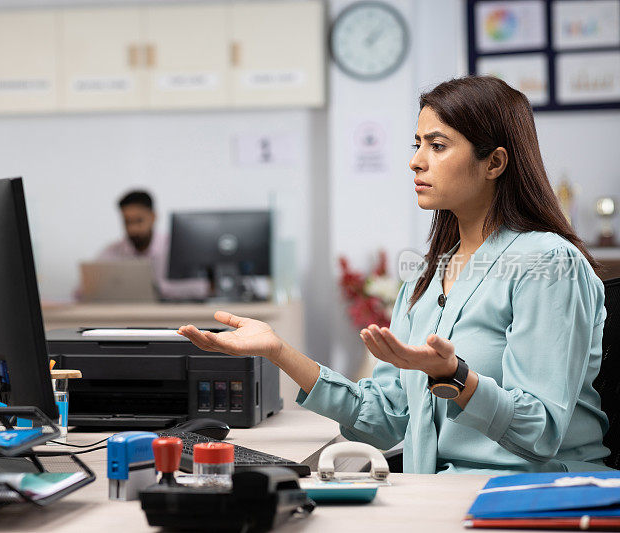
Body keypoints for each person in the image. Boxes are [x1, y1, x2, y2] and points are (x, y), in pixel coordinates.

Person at [177, 76, 612, 475]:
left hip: (539, 496)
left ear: (494, 163)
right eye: (417, 144)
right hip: (440, 495)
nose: (416, 162)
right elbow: (385, 423)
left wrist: (455, 377)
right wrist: (279, 352)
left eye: (438, 146)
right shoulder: (425, 279)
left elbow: (540, 431)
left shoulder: (549, 265)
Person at [98, 190, 208, 300]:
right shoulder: (112, 251)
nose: (133, 229)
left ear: (153, 217)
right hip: (128, 315)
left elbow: (205, 286)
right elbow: (85, 291)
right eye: (127, 222)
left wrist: (158, 288)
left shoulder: (177, 247)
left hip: (169, 315)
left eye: (139, 221)